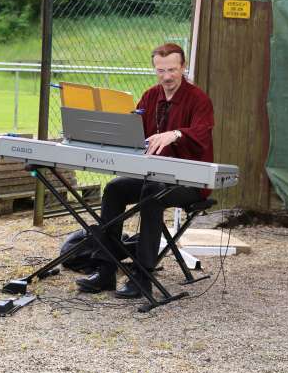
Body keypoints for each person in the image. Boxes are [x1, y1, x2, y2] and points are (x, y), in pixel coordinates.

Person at [76, 42, 214, 298]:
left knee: (153, 192)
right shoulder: (151, 96)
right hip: (154, 177)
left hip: (190, 183)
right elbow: (134, 131)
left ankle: (143, 276)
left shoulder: (199, 100)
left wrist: (175, 134)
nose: (167, 76)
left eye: (172, 70)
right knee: (115, 188)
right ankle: (106, 269)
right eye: (160, 70)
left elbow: (202, 133)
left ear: (183, 67)